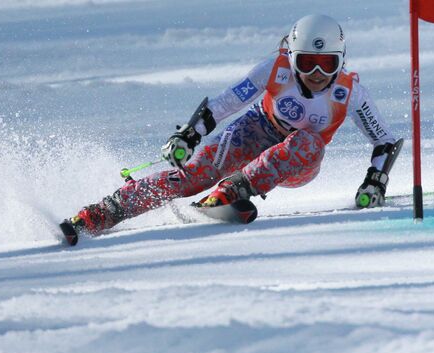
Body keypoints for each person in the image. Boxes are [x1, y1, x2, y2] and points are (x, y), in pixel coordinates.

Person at [62, 14, 401, 237]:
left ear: (340, 62)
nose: (316, 73)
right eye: (307, 62)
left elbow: (384, 141)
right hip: (257, 130)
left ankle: (233, 191)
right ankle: (104, 211)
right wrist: (190, 134)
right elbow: (227, 102)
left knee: (308, 141)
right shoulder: (275, 68)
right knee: (192, 175)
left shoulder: (349, 91)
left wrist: (375, 183)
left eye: (327, 64)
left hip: (298, 162)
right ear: (291, 57)